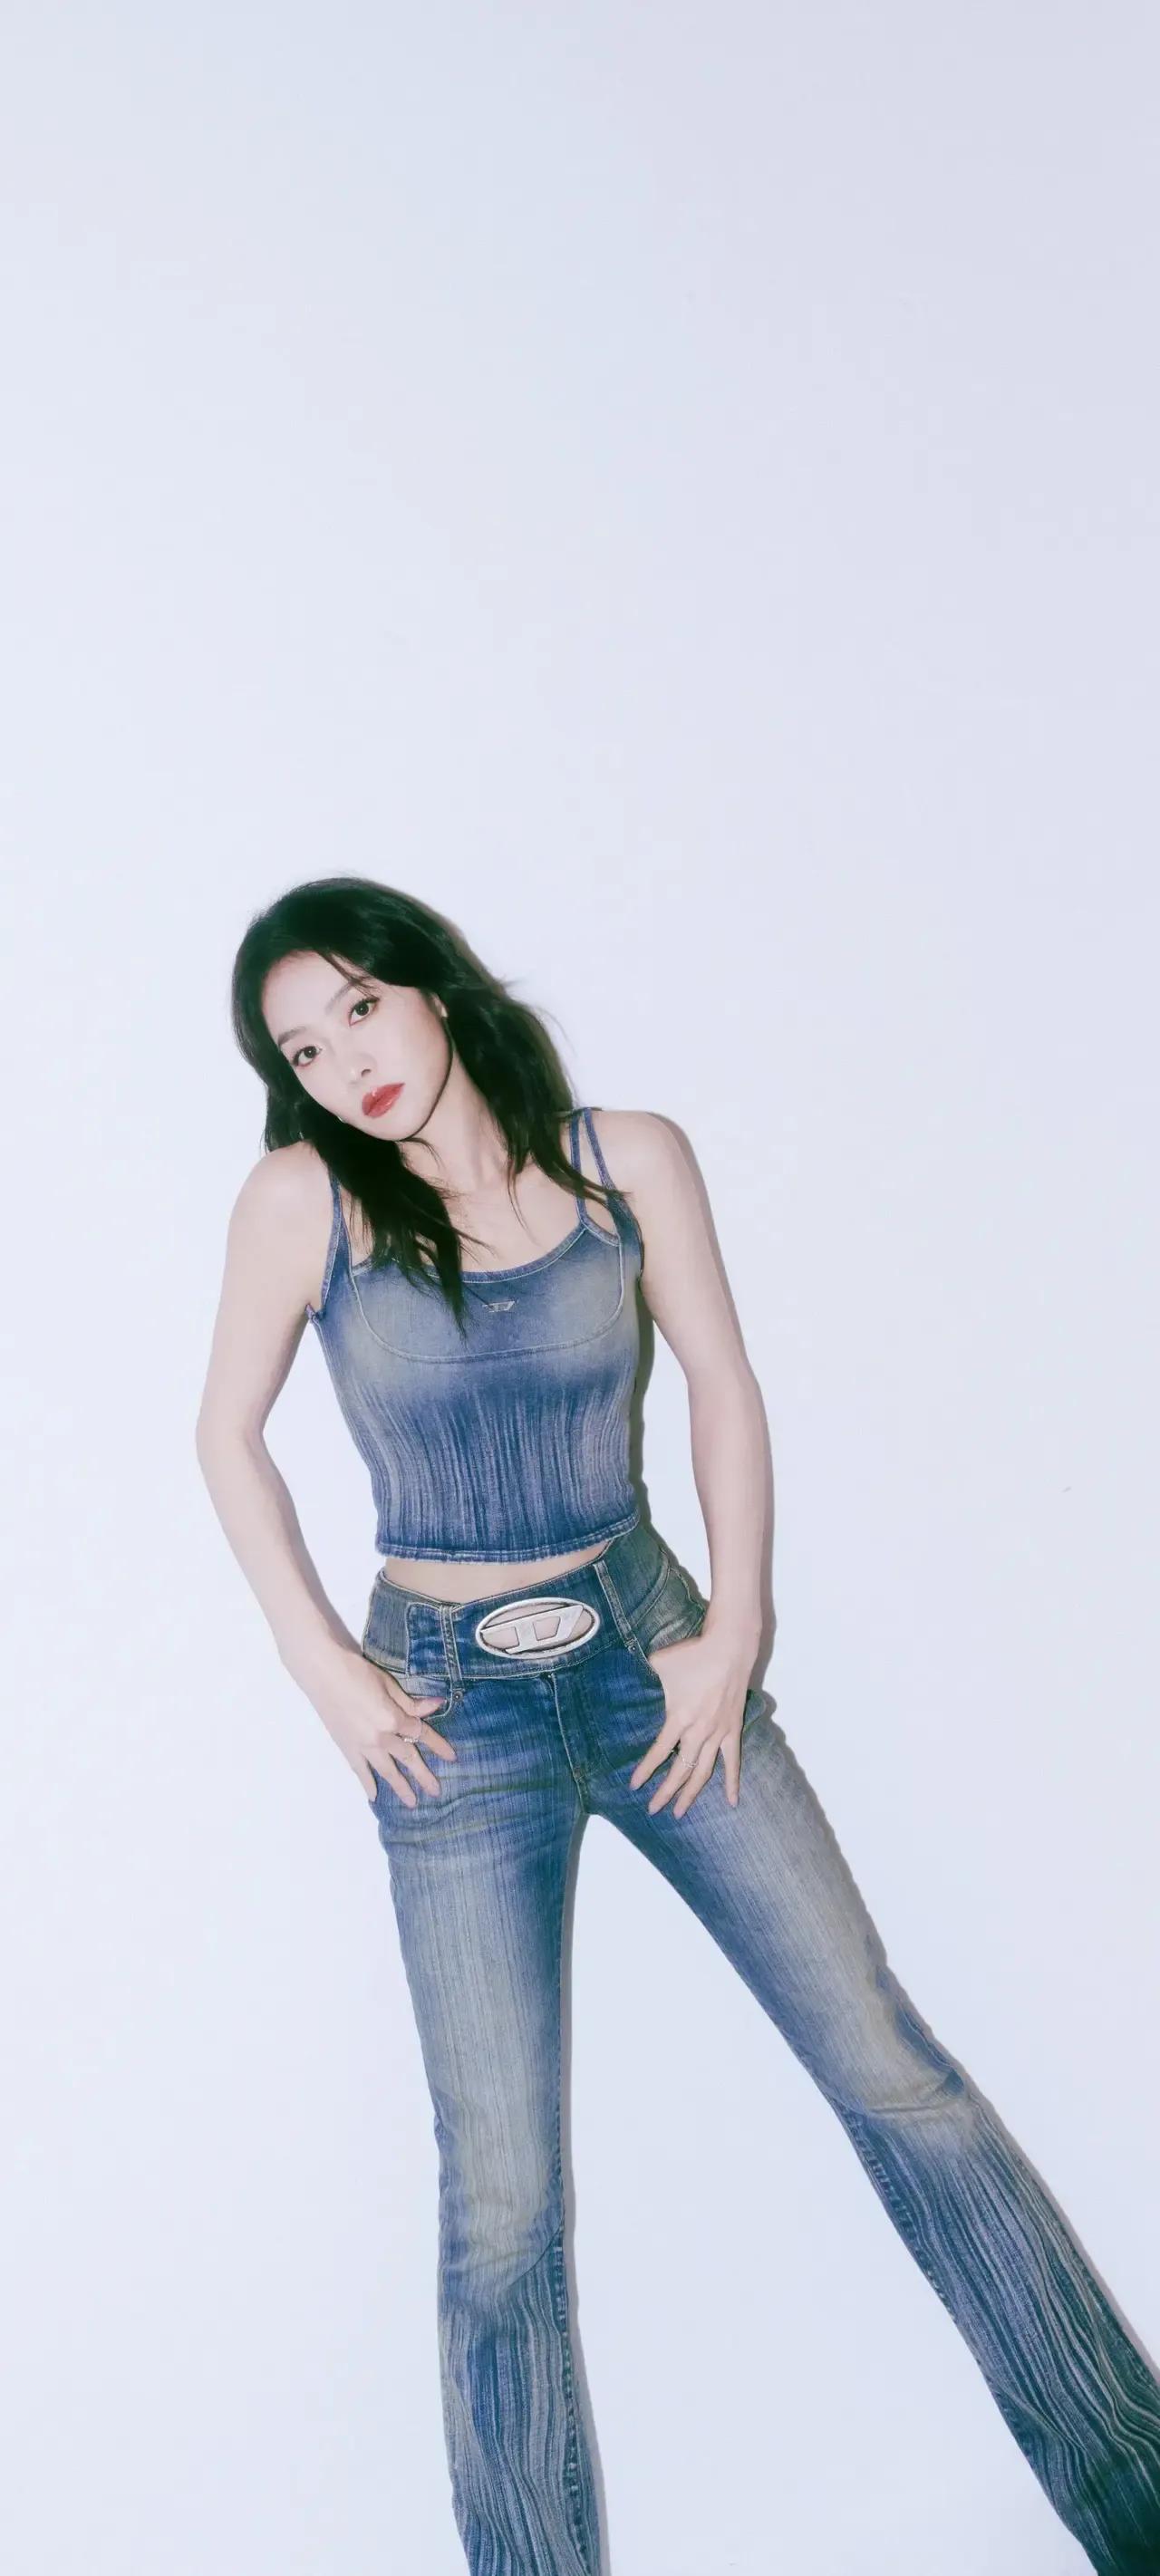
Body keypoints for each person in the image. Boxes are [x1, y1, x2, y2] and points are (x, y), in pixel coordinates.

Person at [196, 874, 1160, 2576]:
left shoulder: (625, 1161)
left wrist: (733, 1631)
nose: (345, 1061)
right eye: (304, 1049)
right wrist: (323, 1666)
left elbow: (722, 1381)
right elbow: (224, 1436)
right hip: (448, 1715)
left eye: (359, 1007)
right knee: (503, 2206)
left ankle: (1140, 2511)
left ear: (431, 988)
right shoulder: (305, 1204)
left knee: (897, 2078)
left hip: (653, 1660)